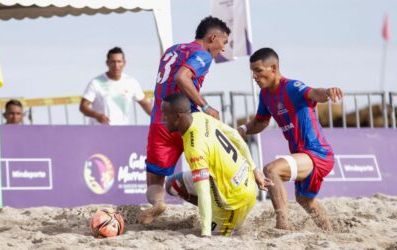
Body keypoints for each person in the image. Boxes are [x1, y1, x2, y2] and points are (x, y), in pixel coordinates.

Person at [238, 48, 343, 231]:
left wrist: (327, 92)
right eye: (252, 71)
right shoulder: (265, 95)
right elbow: (260, 122)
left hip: (317, 153)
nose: (254, 76)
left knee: (271, 170)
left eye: (258, 71)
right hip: (302, 156)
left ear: (273, 68)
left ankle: (283, 226)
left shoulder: (291, 87)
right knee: (305, 200)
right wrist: (243, 129)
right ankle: (331, 233)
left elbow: (314, 93)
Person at [140, 16, 231, 224]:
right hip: (187, 122)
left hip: (160, 121)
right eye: (223, 42)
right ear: (213, 37)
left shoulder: (172, 50)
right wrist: (205, 106)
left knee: (154, 182)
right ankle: (220, 210)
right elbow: (182, 77)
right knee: (210, 171)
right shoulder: (203, 54)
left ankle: (157, 204)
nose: (223, 49)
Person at [162, 93, 274, 237]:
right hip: (245, 178)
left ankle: (217, 221)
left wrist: (205, 234)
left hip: (236, 201)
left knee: (215, 236)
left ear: (177, 116)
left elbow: (203, 192)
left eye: (165, 114)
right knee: (172, 185)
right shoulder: (200, 117)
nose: (162, 118)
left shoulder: (195, 147)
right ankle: (211, 212)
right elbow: (234, 134)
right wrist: (254, 168)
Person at [80, 47, 152, 125]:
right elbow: (83, 106)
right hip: (100, 131)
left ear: (124, 63)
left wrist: (161, 119)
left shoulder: (131, 82)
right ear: (107, 63)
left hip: (122, 131)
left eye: (119, 61)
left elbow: (145, 104)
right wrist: (96, 115)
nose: (116, 65)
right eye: (113, 62)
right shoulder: (95, 82)